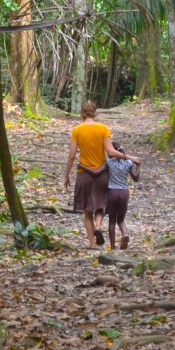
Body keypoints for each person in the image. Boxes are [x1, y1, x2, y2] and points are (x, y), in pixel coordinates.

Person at [63, 101, 129, 249]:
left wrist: (66, 175)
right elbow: (111, 152)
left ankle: (93, 244)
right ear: (95, 113)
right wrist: (128, 157)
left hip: (84, 175)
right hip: (101, 174)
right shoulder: (103, 129)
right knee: (100, 206)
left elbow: (72, 155)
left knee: (87, 211)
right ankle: (98, 226)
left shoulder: (76, 130)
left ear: (82, 113)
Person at [105, 142, 140, 250]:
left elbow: (100, 174)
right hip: (124, 192)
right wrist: (138, 166)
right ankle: (124, 234)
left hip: (112, 192)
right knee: (120, 219)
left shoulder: (108, 162)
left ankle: (112, 247)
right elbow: (135, 178)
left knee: (112, 220)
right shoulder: (128, 162)